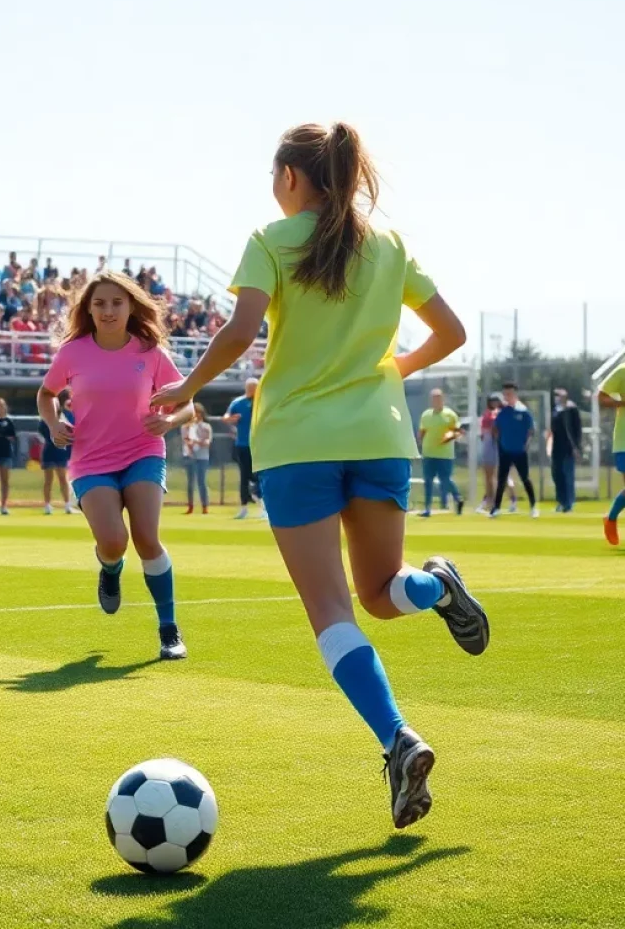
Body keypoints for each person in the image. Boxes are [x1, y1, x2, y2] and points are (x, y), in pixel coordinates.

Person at [153, 122, 487, 828]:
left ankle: (397, 737)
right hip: (379, 434)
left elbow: (241, 333)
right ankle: (438, 585)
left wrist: (185, 388)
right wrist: (393, 370)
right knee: (384, 594)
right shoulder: (389, 244)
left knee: (334, 612)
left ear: (291, 178)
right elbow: (452, 332)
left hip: (297, 441)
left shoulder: (271, 241)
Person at [38, 270, 194, 661]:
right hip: (91, 459)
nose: (108, 310)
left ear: (131, 306)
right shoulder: (72, 352)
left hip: (143, 451)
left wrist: (171, 420)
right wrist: (55, 422)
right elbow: (46, 394)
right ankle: (110, 568)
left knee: (146, 539)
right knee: (113, 542)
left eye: (116, 303)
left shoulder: (150, 352)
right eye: (100, 303)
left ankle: (169, 630)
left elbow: (187, 402)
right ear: (88, 309)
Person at [490, 382, 538, 518]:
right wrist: (499, 442)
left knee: (525, 478)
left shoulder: (523, 411)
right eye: (505, 394)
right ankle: (496, 508)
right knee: (502, 479)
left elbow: (531, 430)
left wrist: (526, 445)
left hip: (520, 451)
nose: (507, 396)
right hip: (505, 450)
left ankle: (533, 507)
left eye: (509, 393)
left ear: (515, 394)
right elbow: (496, 428)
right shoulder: (502, 412)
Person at [417, 389, 464, 517]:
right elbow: (422, 432)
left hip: (445, 454)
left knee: (445, 480)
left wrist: (447, 437)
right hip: (429, 453)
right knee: (428, 481)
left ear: (443, 399)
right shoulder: (426, 415)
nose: (436, 401)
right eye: (433, 398)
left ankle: (458, 498)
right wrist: (420, 442)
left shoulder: (450, 415)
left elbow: (458, 431)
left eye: (438, 398)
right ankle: (427, 508)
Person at [224, 378, 264, 519]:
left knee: (260, 475)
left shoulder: (262, 402)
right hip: (242, 445)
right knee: (244, 477)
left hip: (260, 445)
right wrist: (231, 419)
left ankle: (263, 507)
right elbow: (227, 417)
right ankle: (244, 507)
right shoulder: (238, 402)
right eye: (250, 387)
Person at [597, 362, 625, 545]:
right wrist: (622, 402)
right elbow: (601, 397)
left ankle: (611, 516)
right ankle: (611, 518)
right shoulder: (623, 370)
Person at [39, 389, 76, 515]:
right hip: (50, 449)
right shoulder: (47, 419)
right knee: (48, 479)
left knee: (63, 478)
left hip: (60, 450)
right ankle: (47, 505)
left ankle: (66, 505)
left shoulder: (65, 417)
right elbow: (43, 431)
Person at [548, 388, 583, 513]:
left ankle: (568, 503)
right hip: (556, 447)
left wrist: (577, 447)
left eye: (559, 395)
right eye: (555, 395)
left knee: (567, 474)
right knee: (557, 475)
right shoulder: (555, 410)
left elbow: (577, 429)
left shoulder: (571, 409)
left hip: (569, 448)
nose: (557, 397)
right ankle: (561, 501)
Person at [182, 401, 212, 515]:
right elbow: (186, 440)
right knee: (190, 483)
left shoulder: (206, 427)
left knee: (201, 482)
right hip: (189, 457)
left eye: (198, 413)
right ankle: (190, 506)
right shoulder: (185, 427)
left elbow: (207, 442)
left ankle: (205, 506)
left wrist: (197, 441)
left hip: (202, 457)